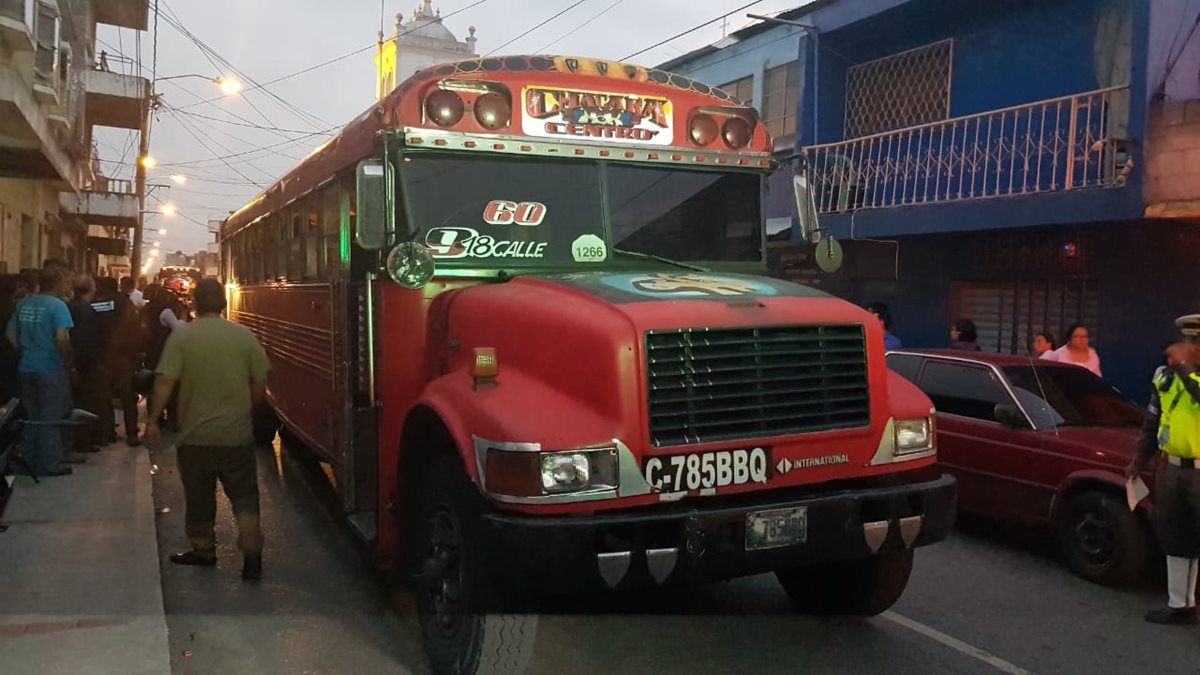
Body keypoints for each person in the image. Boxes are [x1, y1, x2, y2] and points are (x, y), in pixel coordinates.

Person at [146, 279, 270, 580]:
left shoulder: (183, 337)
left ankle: (203, 550)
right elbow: (260, 380)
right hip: (235, 434)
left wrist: (152, 419)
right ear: (223, 304)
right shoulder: (244, 335)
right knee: (243, 495)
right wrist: (248, 409)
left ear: (194, 304)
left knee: (199, 496)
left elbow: (165, 381)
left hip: (195, 437)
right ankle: (252, 552)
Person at [1127, 314, 1200, 625]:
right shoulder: (1164, 376)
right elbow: (1152, 421)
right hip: (1170, 468)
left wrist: (1184, 368)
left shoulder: (1184, 374)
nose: (1190, 347)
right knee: (1175, 536)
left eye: (1195, 342)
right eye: (1187, 340)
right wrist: (1139, 461)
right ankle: (1180, 604)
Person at [4, 268, 74, 477]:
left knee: (31, 417)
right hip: (50, 368)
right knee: (50, 418)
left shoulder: (23, 303)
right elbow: (62, 338)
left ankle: (28, 460)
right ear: (58, 284)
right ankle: (49, 464)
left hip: (26, 367)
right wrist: (66, 360)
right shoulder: (58, 306)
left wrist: (25, 349)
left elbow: (10, 333)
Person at [95, 277, 142, 445]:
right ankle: (131, 433)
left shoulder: (96, 303)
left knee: (104, 396)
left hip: (102, 357)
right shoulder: (125, 303)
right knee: (128, 397)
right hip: (124, 357)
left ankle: (107, 433)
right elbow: (136, 328)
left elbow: (91, 326)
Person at [67, 275, 104, 453]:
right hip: (85, 364)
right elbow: (85, 339)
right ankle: (84, 441)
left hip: (71, 361)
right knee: (87, 403)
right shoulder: (85, 310)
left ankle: (76, 440)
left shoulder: (69, 306)